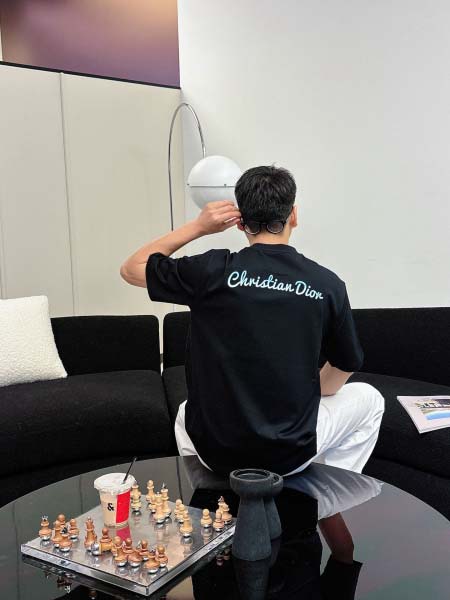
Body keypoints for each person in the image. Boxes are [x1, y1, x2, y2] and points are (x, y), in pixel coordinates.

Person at [120, 165, 384, 476]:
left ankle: (212, 492)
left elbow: (131, 268)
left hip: (215, 453)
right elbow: (345, 363)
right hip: (288, 456)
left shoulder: (211, 271)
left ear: (239, 222)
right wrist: (316, 393)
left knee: (184, 412)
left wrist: (199, 227)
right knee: (370, 400)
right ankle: (322, 494)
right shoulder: (326, 285)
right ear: (293, 215)